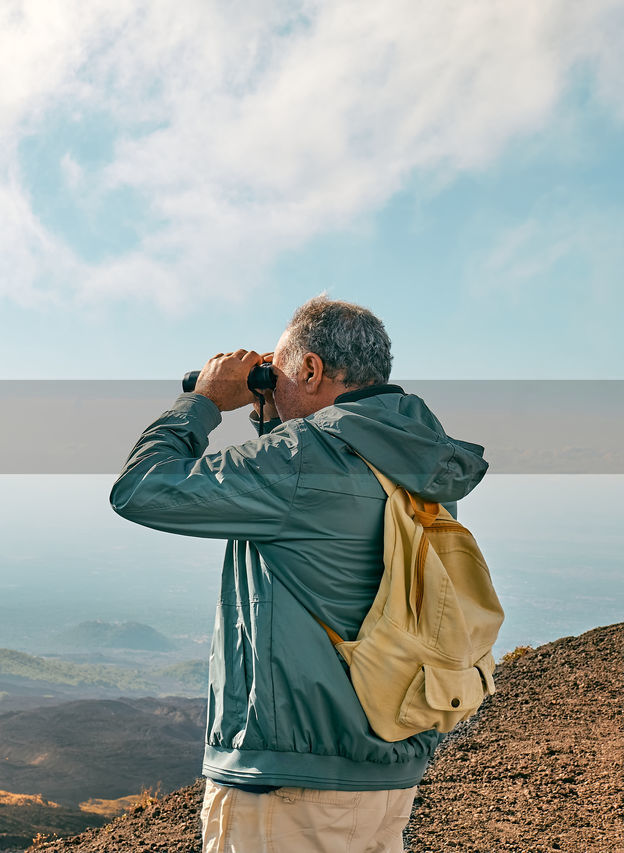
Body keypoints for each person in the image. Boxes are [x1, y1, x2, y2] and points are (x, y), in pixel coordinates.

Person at [109, 296, 488, 853]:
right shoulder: (411, 459)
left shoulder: (302, 460)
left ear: (310, 369)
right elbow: (304, 518)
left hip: (291, 790)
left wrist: (202, 402)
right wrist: (271, 415)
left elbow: (141, 489)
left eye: (281, 368)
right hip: (384, 773)